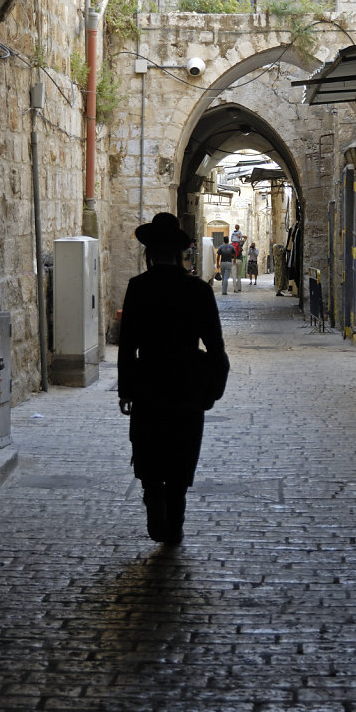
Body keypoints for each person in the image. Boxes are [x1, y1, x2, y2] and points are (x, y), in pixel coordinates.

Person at [118, 213, 229, 544]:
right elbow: (216, 348)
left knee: (149, 448)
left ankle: (153, 500)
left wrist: (126, 389)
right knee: (181, 452)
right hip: (186, 384)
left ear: (149, 253)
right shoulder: (197, 290)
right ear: (180, 253)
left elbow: (127, 347)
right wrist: (211, 391)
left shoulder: (138, 288)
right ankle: (175, 519)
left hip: (149, 382)